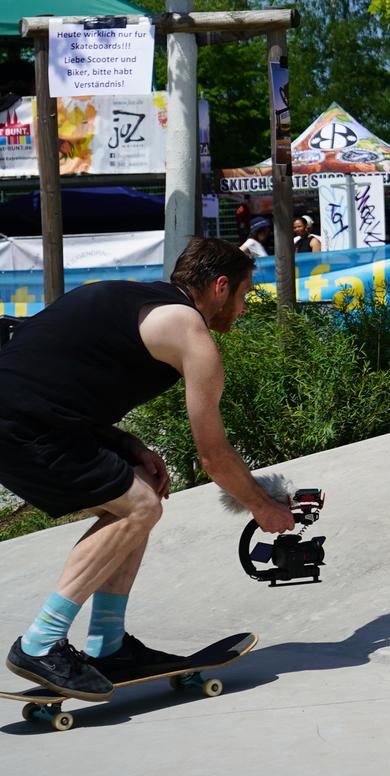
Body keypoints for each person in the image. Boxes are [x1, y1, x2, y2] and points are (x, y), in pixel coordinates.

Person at [0, 237, 296, 700]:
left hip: (27, 414)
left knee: (139, 495)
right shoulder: (191, 335)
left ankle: (108, 644)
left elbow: (55, 377)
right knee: (139, 506)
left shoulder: (132, 299)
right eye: (243, 295)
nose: (242, 308)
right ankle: (40, 643)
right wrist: (264, 508)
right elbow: (214, 458)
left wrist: (127, 444)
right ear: (220, 286)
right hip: (22, 424)